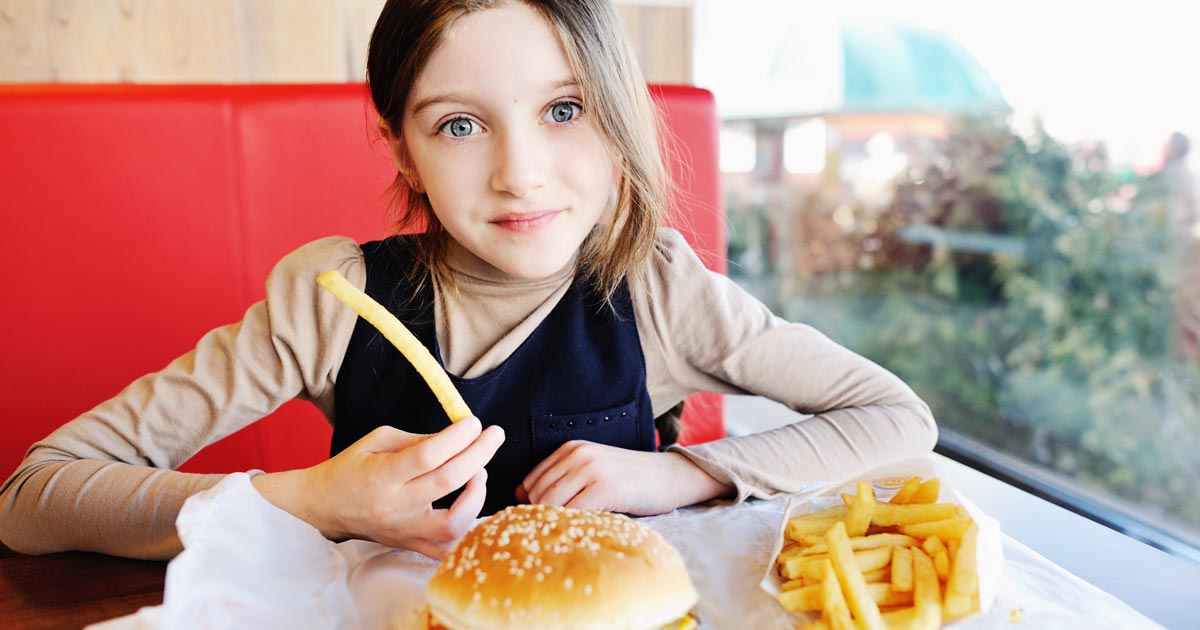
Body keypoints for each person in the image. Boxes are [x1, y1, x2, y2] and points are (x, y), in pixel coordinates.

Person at [0, 0, 936, 561]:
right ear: (399, 149)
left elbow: (899, 421)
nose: (519, 172)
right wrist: (308, 500)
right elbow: (33, 497)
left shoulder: (655, 292)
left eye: (563, 109)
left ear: (615, 119)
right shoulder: (331, 300)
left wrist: (678, 475)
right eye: (458, 125)